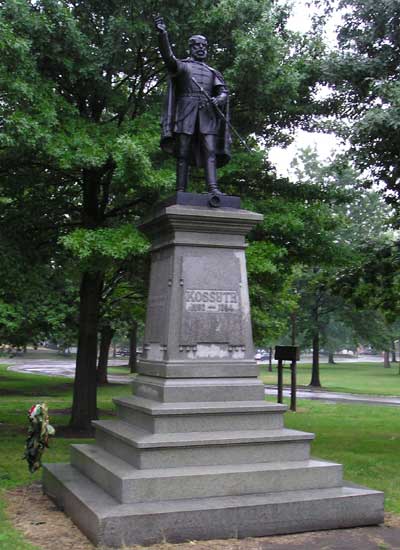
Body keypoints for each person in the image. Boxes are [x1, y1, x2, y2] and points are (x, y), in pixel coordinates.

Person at [154, 16, 231, 194]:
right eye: (197, 45)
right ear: (191, 47)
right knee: (183, 152)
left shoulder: (212, 72)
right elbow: (168, 57)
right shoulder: (183, 66)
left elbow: (223, 92)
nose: (201, 49)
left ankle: (213, 188)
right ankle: (181, 189)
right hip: (186, 112)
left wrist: (219, 99)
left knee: (210, 151)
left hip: (207, 115)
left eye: (204, 46)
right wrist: (162, 35)